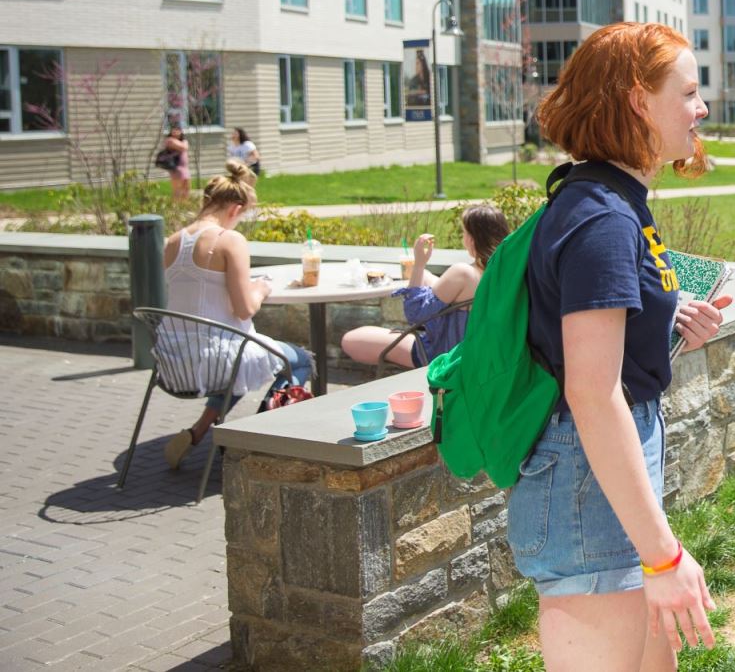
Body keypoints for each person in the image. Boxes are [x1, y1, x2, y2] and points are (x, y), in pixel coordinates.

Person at [510, 22, 730, 670]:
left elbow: (599, 355)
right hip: (586, 486)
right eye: (688, 92)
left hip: (604, 476)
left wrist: (667, 326)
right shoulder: (603, 216)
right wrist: (663, 556)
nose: (702, 109)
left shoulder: (609, 200)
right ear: (639, 101)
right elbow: (590, 390)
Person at [158, 160, 313, 469]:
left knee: (242, 364)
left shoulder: (172, 242)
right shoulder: (229, 241)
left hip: (173, 362)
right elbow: (245, 308)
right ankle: (253, 442)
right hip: (214, 360)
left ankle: (199, 430)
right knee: (300, 360)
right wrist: (262, 288)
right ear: (235, 209)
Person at [339, 205, 510, 368]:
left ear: (472, 239)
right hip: (483, 354)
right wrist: (425, 276)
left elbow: (415, 314)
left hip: (443, 355)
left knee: (350, 339)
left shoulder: (463, 273)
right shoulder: (506, 273)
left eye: (464, 232)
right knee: (428, 277)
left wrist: (419, 264)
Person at [160, 125, 190, 201]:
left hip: (184, 168)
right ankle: (175, 206)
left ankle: (184, 204)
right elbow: (184, 147)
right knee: (177, 189)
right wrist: (183, 143)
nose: (176, 132)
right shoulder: (169, 140)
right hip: (176, 168)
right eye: (174, 130)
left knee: (186, 187)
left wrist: (183, 142)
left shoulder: (183, 140)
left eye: (178, 130)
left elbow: (185, 146)